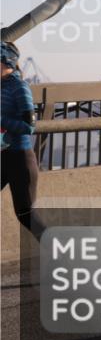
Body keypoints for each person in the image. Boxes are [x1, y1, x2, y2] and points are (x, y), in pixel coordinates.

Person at [1, 41, 44, 239]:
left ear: (5, 62)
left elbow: (29, 126)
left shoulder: (20, 87)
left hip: (20, 158)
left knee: (26, 216)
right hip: (3, 156)